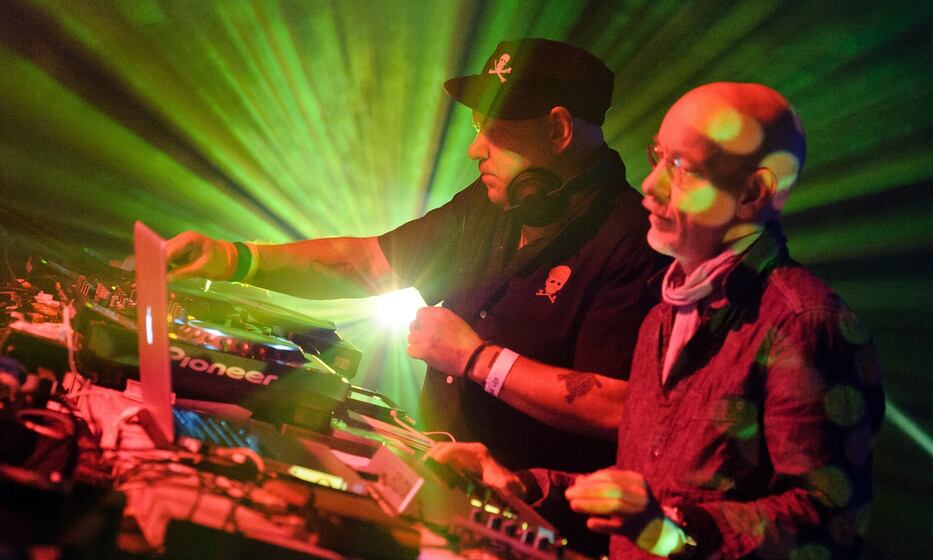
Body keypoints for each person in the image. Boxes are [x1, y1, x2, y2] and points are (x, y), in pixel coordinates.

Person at [428, 82, 885, 560]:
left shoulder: (806, 324)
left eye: (681, 169)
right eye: (657, 157)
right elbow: (641, 487)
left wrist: (669, 531)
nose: (651, 185)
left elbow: (828, 526)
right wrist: (524, 486)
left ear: (753, 193)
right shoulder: (663, 317)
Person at [164, 38, 668, 476]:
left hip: (531, 508)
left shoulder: (633, 242)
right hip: (438, 469)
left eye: (493, 130)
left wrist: (478, 360)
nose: (476, 151)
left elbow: (616, 405)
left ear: (557, 131)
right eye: (475, 129)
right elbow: (366, 264)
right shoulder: (495, 202)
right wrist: (231, 260)